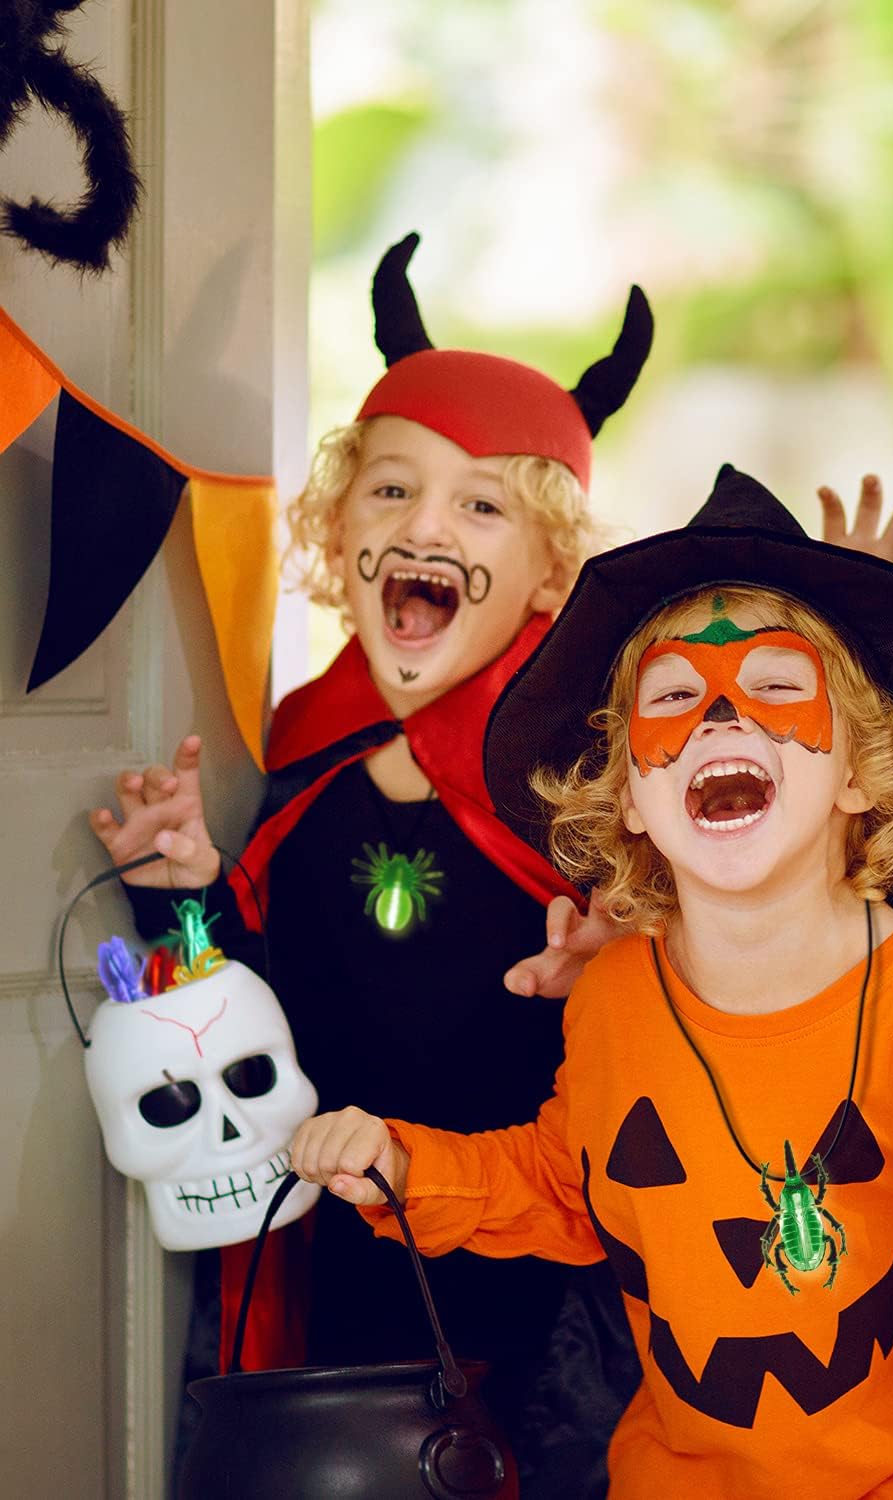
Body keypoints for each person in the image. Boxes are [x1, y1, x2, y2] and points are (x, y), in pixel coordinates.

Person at [290, 464, 893, 1500]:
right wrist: (401, 1164)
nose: (719, 717)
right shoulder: (615, 997)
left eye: (776, 687)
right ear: (630, 799)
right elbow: (571, 1189)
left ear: (856, 774)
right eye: (673, 698)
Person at [87, 232, 652, 1496]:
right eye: (391, 489)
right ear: (337, 526)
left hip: (522, 1267)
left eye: (482, 505)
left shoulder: (581, 777)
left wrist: (620, 968)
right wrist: (183, 894)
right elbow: (244, 999)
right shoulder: (307, 744)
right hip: (330, 1252)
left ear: (549, 573)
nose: (424, 525)